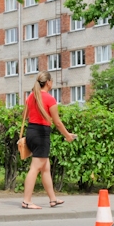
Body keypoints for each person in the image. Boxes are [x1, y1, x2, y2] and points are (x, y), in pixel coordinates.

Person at [21, 71, 76, 209]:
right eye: (52, 81)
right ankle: (26, 201)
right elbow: (57, 122)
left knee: (45, 168)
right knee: (35, 168)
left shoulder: (31, 96)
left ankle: (53, 199)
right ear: (48, 82)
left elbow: (25, 115)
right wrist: (67, 135)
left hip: (31, 132)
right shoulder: (50, 99)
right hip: (41, 135)